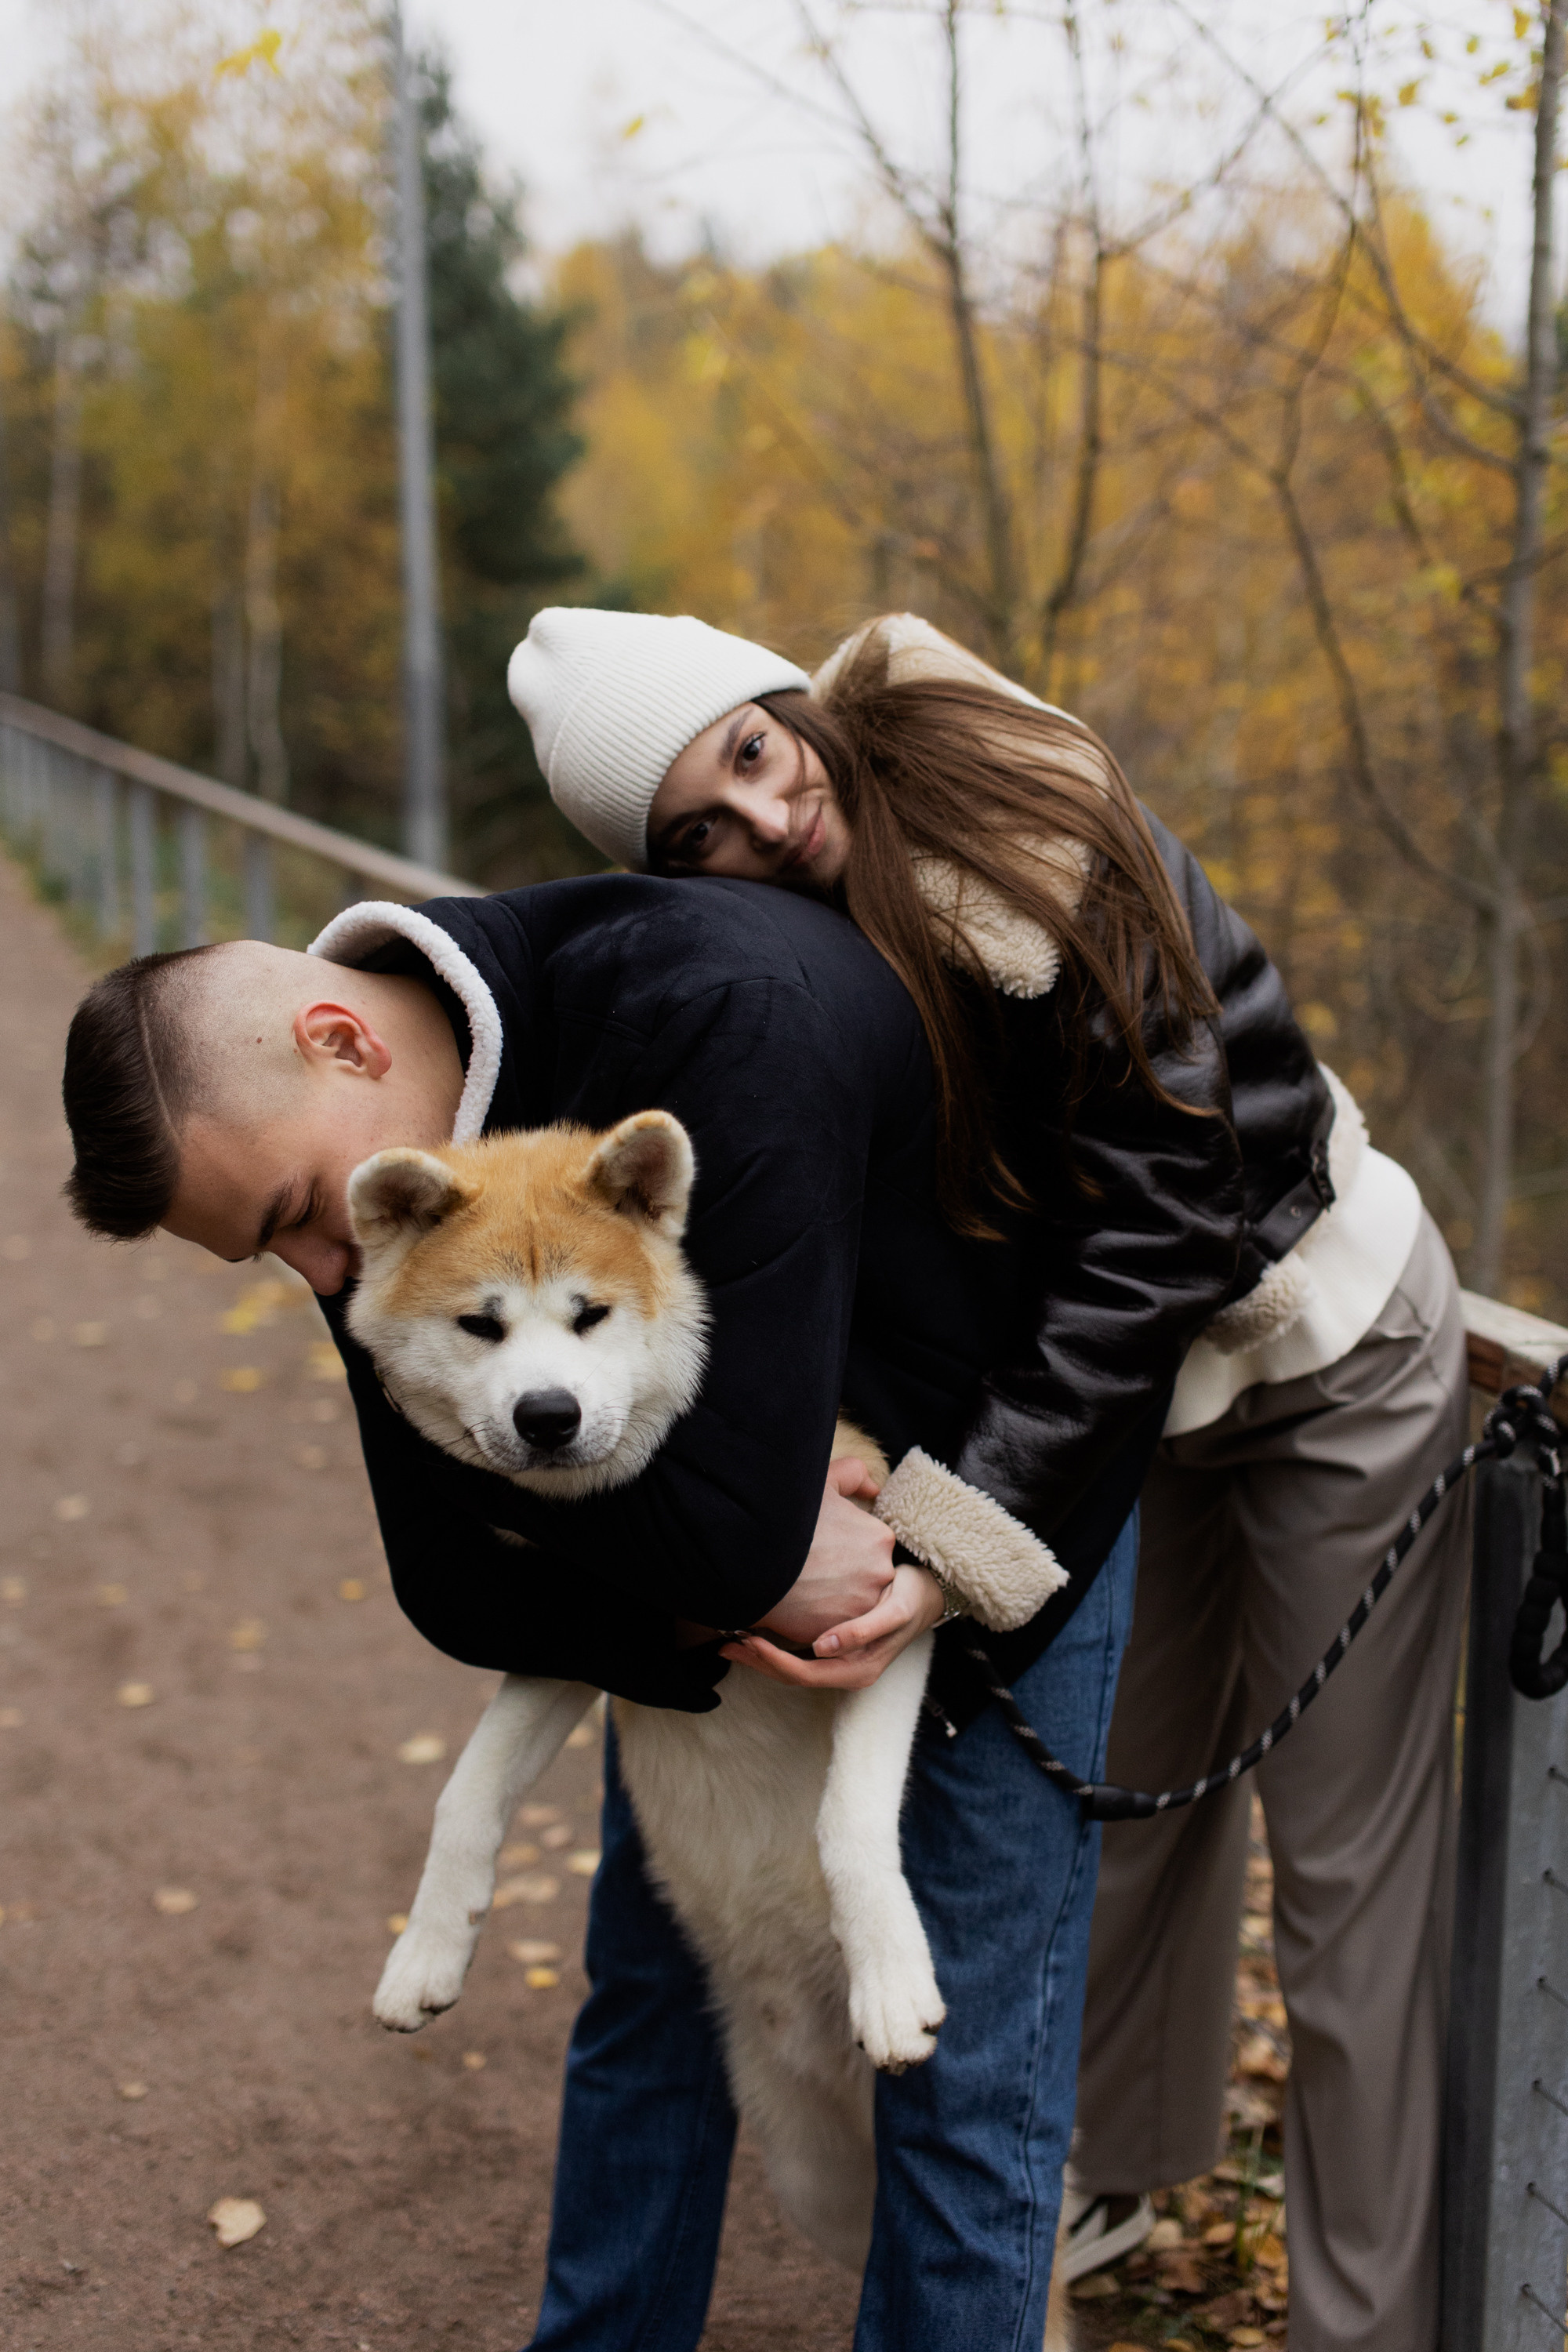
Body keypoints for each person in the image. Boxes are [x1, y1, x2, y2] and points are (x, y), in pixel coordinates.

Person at [56, 604, 1242, 2351]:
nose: (318, 1275)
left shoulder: (718, 1007)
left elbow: (696, 1526)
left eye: (294, 1216)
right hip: (765, 1515)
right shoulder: (393, 1197)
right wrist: (708, 1573)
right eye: (271, 1250)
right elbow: (455, 1575)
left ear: (340, 1038)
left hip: (1005, 1479)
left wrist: (770, 1550)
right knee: (650, 1995)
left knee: (964, 2058)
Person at [507, 603, 1472, 2352]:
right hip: (1126, 1406)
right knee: (1128, 1825)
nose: (767, 821)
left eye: (753, 754)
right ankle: (1114, 2197)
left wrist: (952, 1532)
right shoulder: (788, 940)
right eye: (700, 834)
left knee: (1344, 1888)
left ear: (781, 697)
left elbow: (1171, 1199)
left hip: (1320, 1341)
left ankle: (1364, 2321)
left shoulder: (1013, 796)